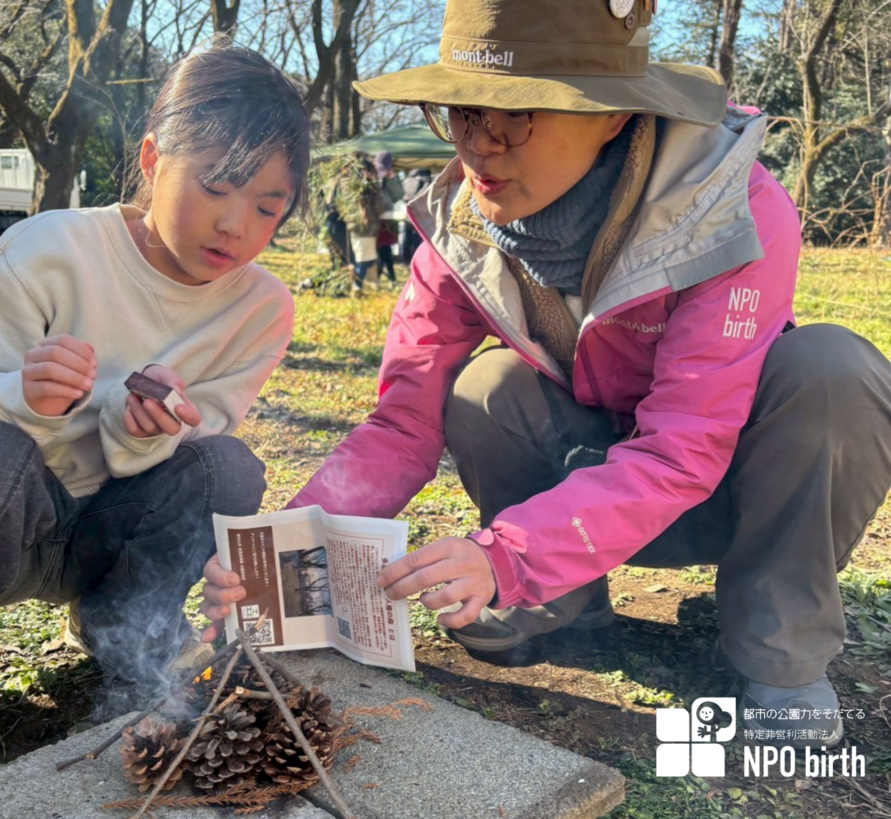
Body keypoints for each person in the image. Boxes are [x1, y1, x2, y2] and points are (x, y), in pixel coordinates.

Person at [203, 0, 891, 752]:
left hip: (733, 488)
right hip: (578, 490)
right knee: (483, 387)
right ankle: (564, 603)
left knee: (832, 369)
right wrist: (280, 552)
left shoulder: (732, 211)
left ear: (614, 115)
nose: (481, 147)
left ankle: (778, 647)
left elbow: (682, 449)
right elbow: (403, 423)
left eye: (519, 112)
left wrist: (507, 555)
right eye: (462, 111)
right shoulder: (463, 227)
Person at [0, 44, 310, 795]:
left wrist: (142, 429)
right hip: (0, 529)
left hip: (112, 534)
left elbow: (197, 451)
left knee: (230, 464)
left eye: (268, 206)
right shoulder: (47, 250)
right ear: (151, 158)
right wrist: (21, 392)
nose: (236, 225)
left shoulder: (261, 310)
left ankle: (122, 628)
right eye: (216, 186)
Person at [343, 153, 384, 293]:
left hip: (355, 227)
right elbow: (381, 206)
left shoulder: (348, 187)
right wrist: (375, 186)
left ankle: (368, 283)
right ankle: (358, 285)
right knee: (364, 259)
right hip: (367, 228)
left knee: (366, 257)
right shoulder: (367, 189)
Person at [374, 150, 404, 286]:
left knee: (385, 251)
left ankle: (385, 279)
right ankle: (386, 279)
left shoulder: (389, 179)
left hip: (388, 223)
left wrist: (392, 179)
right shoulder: (372, 178)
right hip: (375, 222)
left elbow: (398, 195)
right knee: (382, 252)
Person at [398, 167, 432, 265]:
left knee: (405, 239)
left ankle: (404, 260)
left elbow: (404, 197)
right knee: (418, 240)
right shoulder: (426, 180)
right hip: (419, 215)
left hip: (406, 214)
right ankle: (416, 260)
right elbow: (423, 196)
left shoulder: (407, 180)